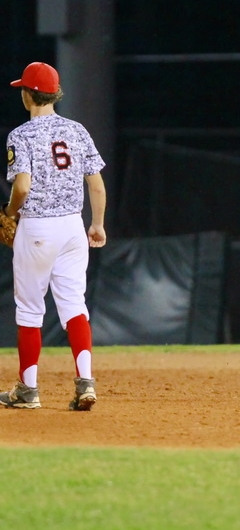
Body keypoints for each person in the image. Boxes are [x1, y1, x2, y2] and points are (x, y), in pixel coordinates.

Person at [0, 62, 107, 410]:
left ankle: (28, 390)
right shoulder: (77, 130)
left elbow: (23, 185)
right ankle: (86, 383)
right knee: (75, 306)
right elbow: (96, 184)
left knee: (30, 311)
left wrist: (10, 212)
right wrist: (98, 224)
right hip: (74, 227)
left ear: (29, 95)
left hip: (38, 228)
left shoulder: (21, 135)